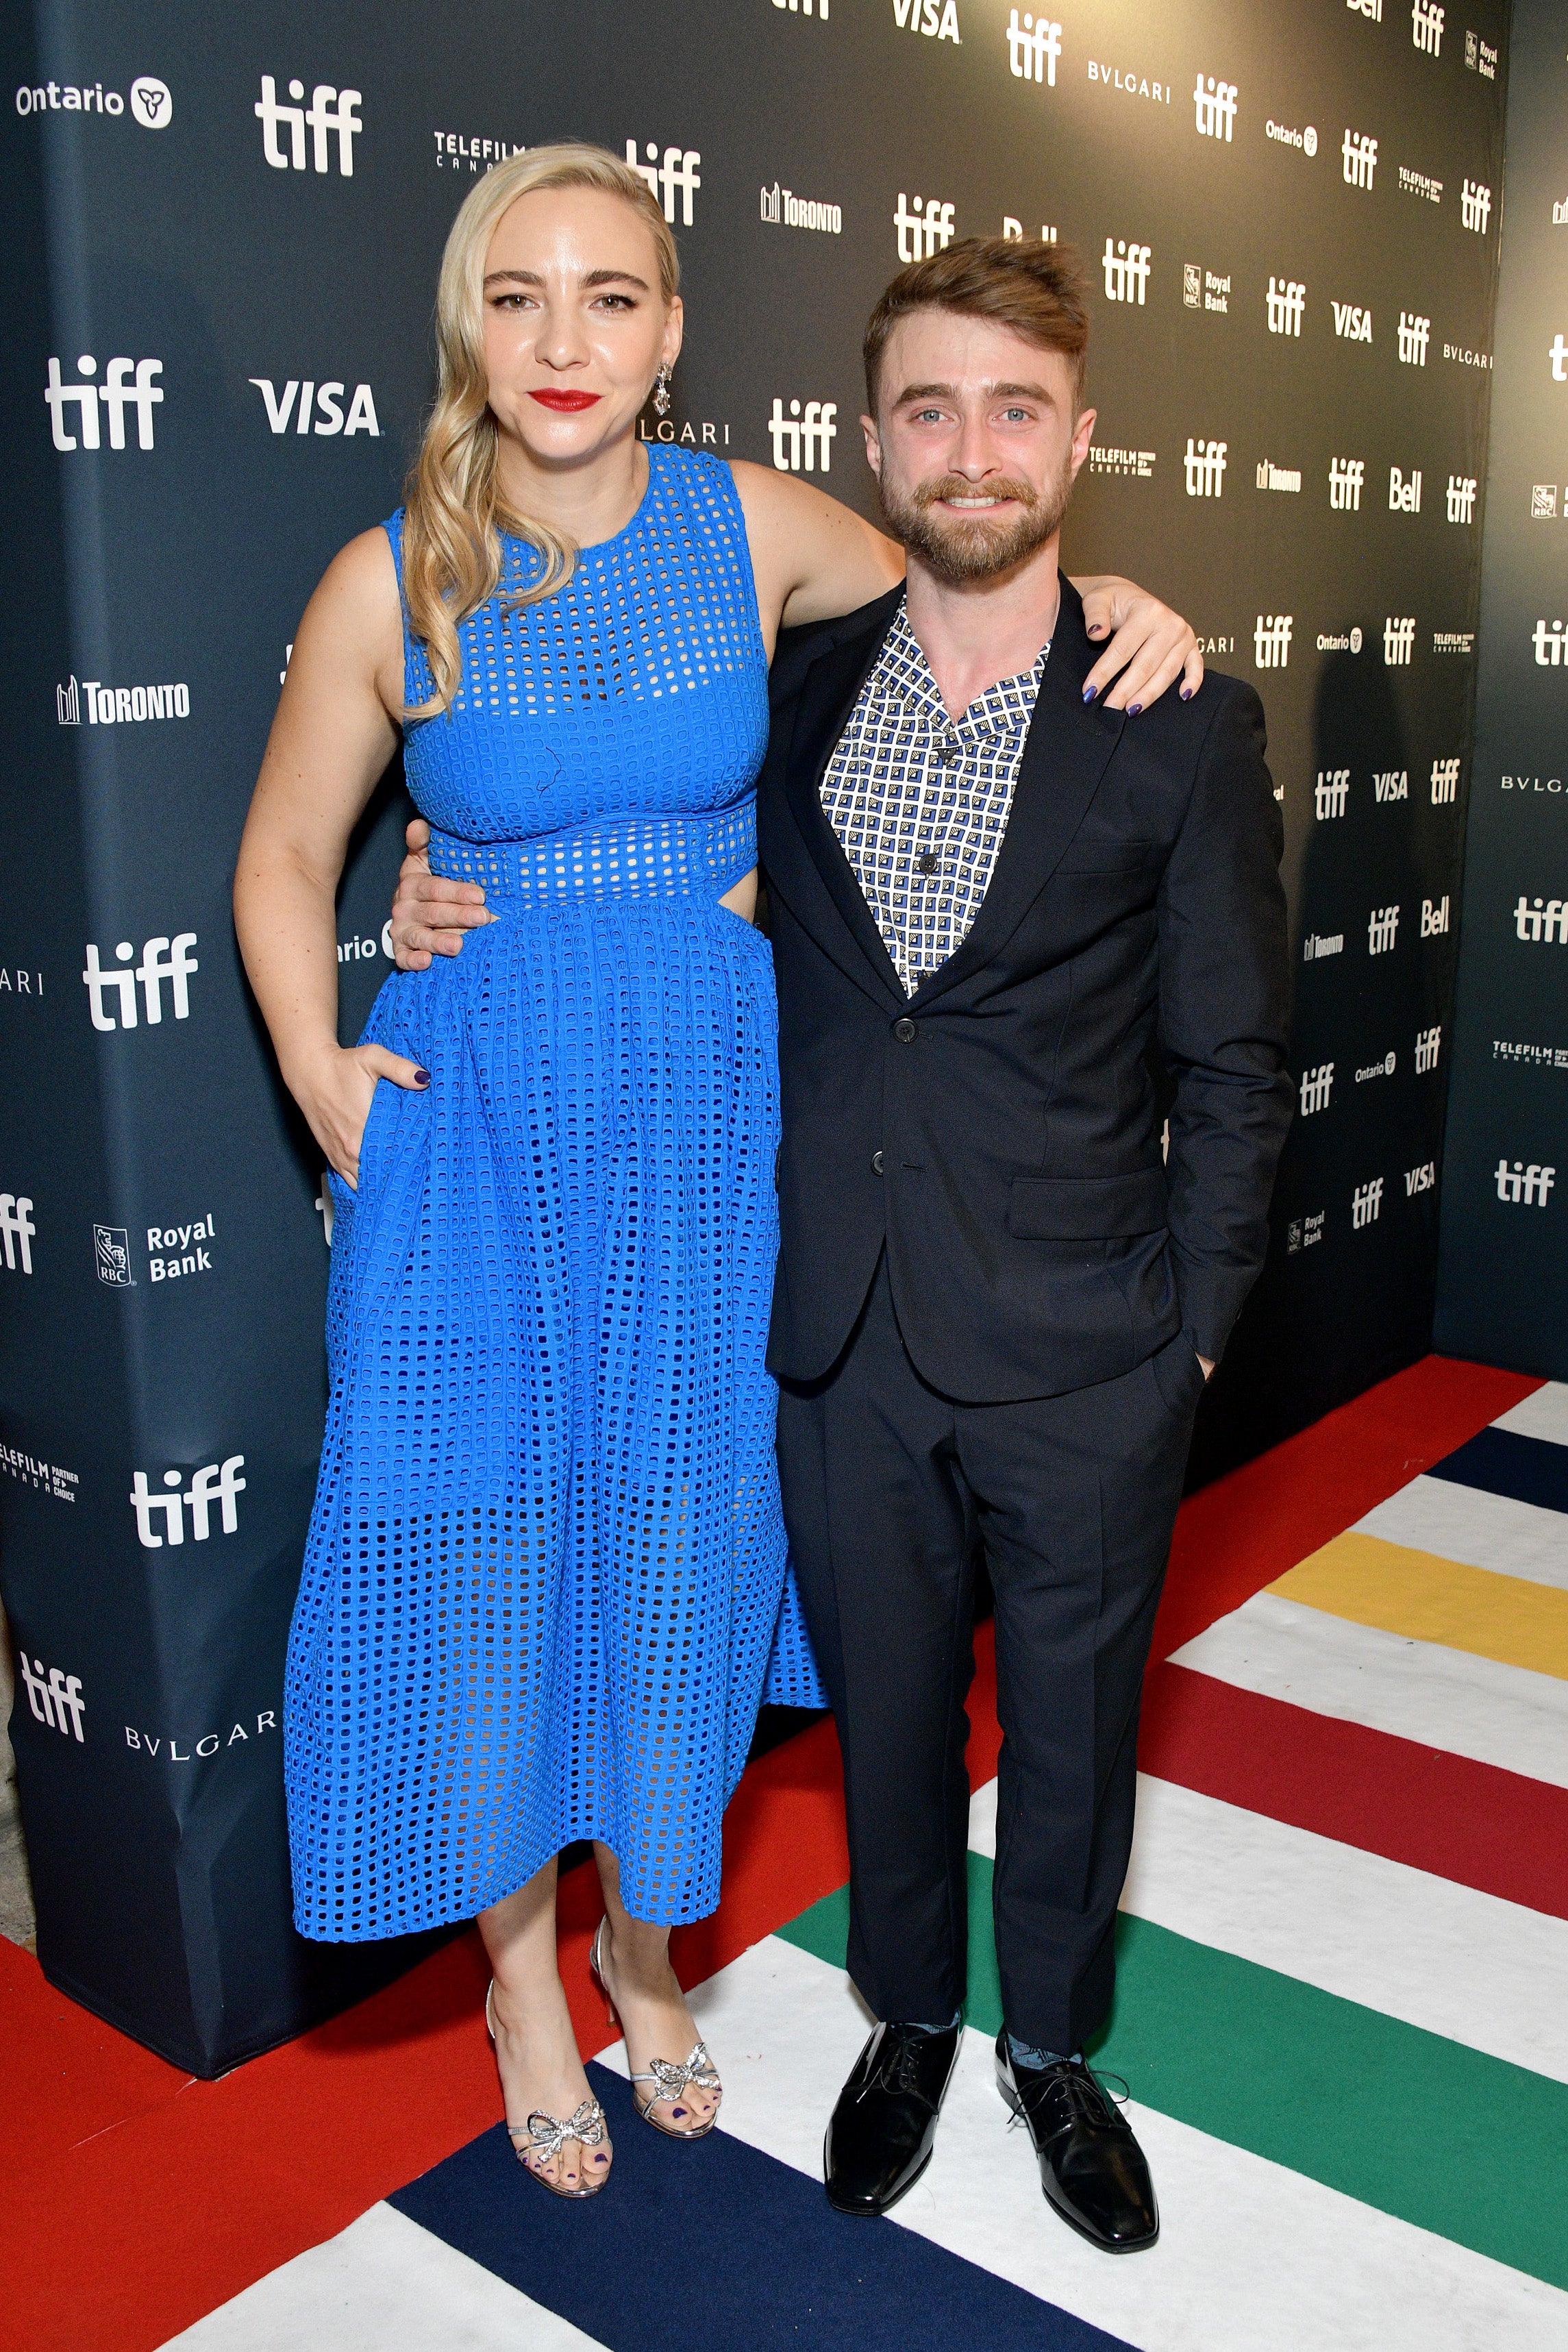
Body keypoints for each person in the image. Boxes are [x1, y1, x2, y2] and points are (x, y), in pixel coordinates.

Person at [243, 144, 1200, 2205]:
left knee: (675, 1543)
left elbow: (974, 581)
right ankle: (519, 1986)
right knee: (488, 1562)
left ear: (674, 332)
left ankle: (642, 1950)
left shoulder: (756, 525)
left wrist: (1114, 590)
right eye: (520, 297)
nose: (564, 342)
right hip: (481, 1144)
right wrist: (329, 1062)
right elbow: (279, 855)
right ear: (466, 326)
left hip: (703, 1135)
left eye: (612, 297)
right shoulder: (385, 573)